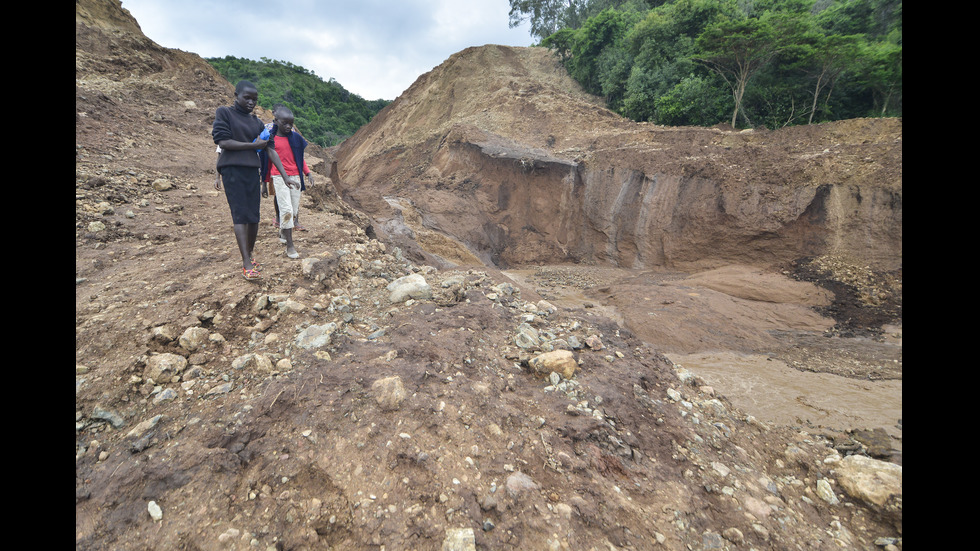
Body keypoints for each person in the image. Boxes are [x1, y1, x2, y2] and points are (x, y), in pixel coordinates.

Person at [212, 81, 288, 280]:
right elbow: (223, 141)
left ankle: (250, 255)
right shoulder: (224, 113)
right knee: (240, 215)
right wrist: (253, 145)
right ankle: (246, 263)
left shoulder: (257, 123)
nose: (251, 102)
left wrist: (286, 176)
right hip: (232, 170)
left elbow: (270, 148)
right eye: (247, 97)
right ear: (236, 95)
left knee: (254, 216)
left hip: (252, 170)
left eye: (254, 99)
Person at [258, 106, 313, 259]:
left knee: (294, 211)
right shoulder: (270, 139)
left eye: (291, 123)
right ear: (276, 121)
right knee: (286, 210)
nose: (288, 126)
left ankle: (283, 231)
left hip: (295, 177)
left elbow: (299, 158)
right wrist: (264, 182)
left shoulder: (296, 139)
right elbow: (266, 163)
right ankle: (290, 246)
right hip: (279, 177)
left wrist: (307, 173)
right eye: (285, 123)